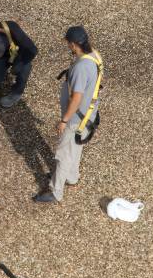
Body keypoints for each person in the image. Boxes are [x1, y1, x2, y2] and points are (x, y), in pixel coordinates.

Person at [35, 26, 103, 204]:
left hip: (75, 118)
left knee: (64, 154)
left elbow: (76, 98)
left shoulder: (81, 67)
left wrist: (64, 120)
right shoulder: (94, 55)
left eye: (68, 44)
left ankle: (55, 191)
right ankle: (72, 177)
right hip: (88, 116)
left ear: (73, 45)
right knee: (76, 147)